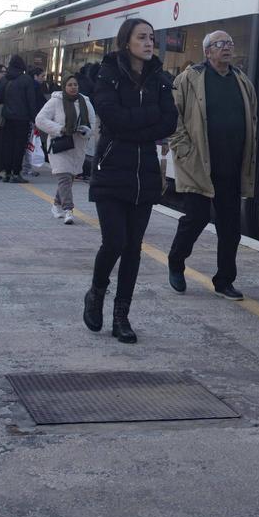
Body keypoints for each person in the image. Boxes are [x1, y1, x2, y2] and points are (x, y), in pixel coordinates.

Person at [84, 18, 178, 344]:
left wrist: (133, 126)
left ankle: (121, 316)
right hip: (111, 170)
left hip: (145, 175)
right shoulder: (108, 73)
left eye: (152, 37)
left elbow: (169, 122)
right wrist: (145, 122)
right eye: (142, 37)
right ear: (127, 42)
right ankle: (96, 292)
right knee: (114, 242)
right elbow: (112, 118)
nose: (149, 43)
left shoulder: (161, 79)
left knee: (134, 249)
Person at [165, 30, 258, 299]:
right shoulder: (189, 79)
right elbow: (174, 117)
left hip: (232, 166)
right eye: (220, 44)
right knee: (196, 218)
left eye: (229, 43)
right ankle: (175, 262)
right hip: (199, 165)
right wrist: (183, 149)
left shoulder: (242, 80)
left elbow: (251, 116)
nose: (226, 48)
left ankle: (224, 280)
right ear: (207, 52)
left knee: (231, 227)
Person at [35, 74, 98, 224]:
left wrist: (86, 131)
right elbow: (40, 119)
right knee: (64, 177)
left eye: (75, 84)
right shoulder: (55, 101)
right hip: (60, 145)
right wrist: (59, 129)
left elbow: (93, 122)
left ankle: (56, 204)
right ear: (64, 86)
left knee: (68, 179)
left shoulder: (86, 102)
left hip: (77, 146)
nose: (73, 87)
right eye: (69, 85)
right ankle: (68, 210)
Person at [0, 56, 41, 184]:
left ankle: (7, 173)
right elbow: (31, 101)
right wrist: (35, 119)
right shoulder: (26, 80)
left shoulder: (5, 79)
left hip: (7, 118)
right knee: (19, 146)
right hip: (22, 119)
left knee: (7, 145)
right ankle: (16, 173)